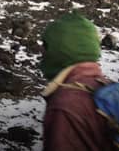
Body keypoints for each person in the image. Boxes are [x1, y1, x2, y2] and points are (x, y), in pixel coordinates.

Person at [40, 13, 113, 150]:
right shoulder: (109, 87)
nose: (42, 52)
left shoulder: (65, 106)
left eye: (47, 46)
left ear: (60, 50)